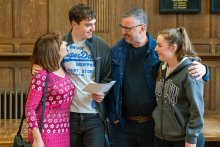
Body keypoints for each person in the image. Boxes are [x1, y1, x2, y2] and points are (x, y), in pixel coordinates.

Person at [107, 7, 209, 147]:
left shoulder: (159, 49)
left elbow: (184, 61)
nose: (123, 32)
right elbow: (109, 82)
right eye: (122, 27)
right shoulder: (116, 51)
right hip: (124, 125)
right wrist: (113, 116)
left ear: (142, 28)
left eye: (127, 28)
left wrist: (204, 69)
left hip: (152, 125)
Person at [32, 3, 111, 147]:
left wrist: (102, 92)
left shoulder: (101, 45)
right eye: (88, 25)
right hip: (68, 115)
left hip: (94, 114)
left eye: (94, 24)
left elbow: (107, 76)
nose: (93, 28)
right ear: (74, 24)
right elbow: (47, 61)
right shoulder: (60, 45)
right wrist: (37, 65)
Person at [153, 27, 205, 147]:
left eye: (159, 45)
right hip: (161, 137)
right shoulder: (162, 67)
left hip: (184, 139)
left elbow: (197, 109)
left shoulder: (191, 72)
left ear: (173, 47)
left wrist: (191, 138)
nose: (155, 49)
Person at [25, 32, 75, 147]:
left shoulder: (63, 68)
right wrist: (37, 138)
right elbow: (29, 108)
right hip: (45, 133)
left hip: (63, 131)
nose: (65, 43)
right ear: (53, 50)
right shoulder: (42, 74)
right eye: (61, 42)